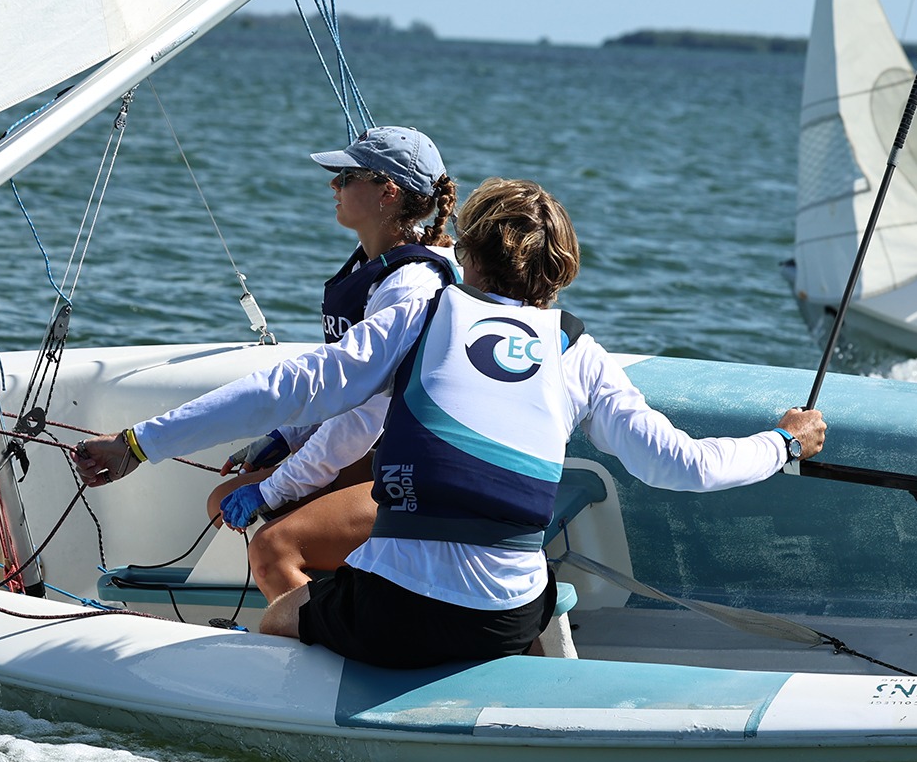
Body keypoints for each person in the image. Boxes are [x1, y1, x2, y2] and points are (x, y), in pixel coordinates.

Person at [75, 179, 827, 670]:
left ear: (463, 253)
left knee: (279, 622)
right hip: (501, 619)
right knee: (529, 581)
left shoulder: (420, 314)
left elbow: (291, 389)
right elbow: (682, 466)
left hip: (395, 613)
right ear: (561, 270)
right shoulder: (578, 353)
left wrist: (139, 443)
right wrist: (784, 440)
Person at [208, 126, 458, 595]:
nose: (333, 186)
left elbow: (363, 418)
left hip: (415, 473)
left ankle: (324, 640)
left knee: (270, 546)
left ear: (387, 192)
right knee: (221, 502)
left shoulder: (410, 286)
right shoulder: (373, 268)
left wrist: (271, 490)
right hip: (379, 452)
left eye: (345, 176)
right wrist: (285, 437)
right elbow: (340, 388)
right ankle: (337, 602)